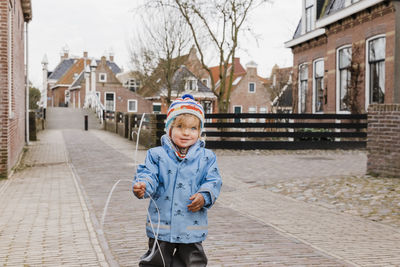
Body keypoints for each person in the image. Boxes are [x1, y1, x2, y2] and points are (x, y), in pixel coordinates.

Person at [133, 94, 222, 267]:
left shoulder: (207, 157)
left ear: (200, 130)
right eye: (180, 127)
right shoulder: (156, 154)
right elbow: (148, 174)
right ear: (169, 128)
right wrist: (143, 186)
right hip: (162, 226)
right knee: (156, 263)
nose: (186, 133)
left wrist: (205, 196)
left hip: (191, 225)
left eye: (193, 128)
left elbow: (213, 180)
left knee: (193, 263)